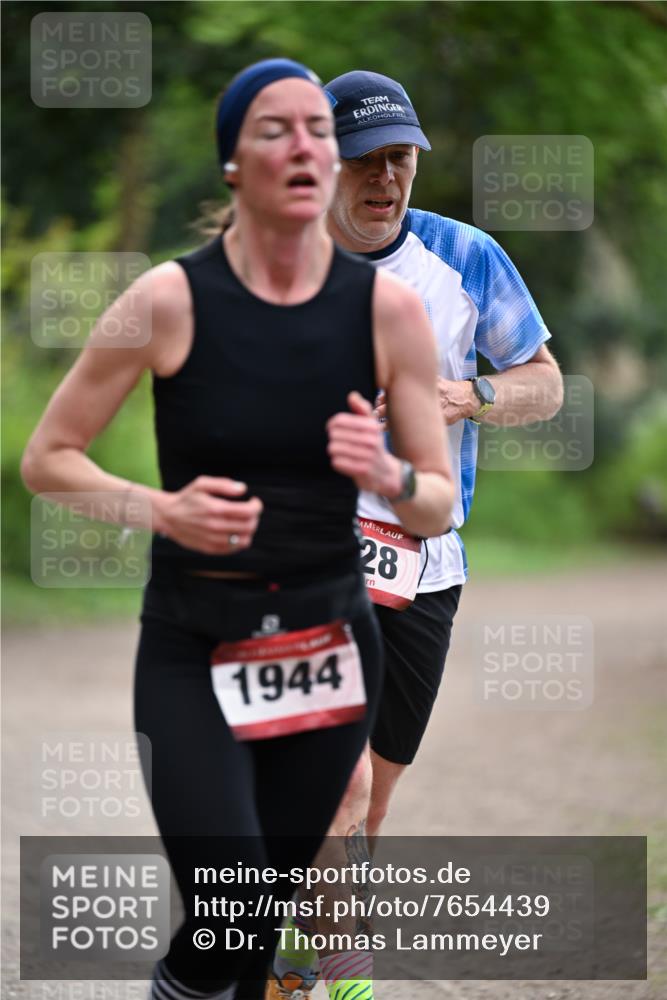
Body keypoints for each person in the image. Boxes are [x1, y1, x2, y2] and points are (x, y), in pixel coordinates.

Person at [21, 60, 455, 1000]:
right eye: (274, 128)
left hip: (329, 640)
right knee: (232, 917)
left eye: (316, 128)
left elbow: (435, 505)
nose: (304, 144)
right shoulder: (168, 302)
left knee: (265, 919)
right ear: (232, 163)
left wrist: (386, 472)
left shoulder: (391, 312)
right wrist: (159, 508)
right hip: (195, 639)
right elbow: (49, 458)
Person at [267, 70, 564, 1000]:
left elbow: (544, 382)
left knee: (373, 797)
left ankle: (290, 959)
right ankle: (350, 984)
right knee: (341, 783)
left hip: (425, 563)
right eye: (364, 161)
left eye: (399, 159)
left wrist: (461, 394)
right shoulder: (280, 260)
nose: (385, 178)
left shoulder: (465, 257)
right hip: (305, 556)